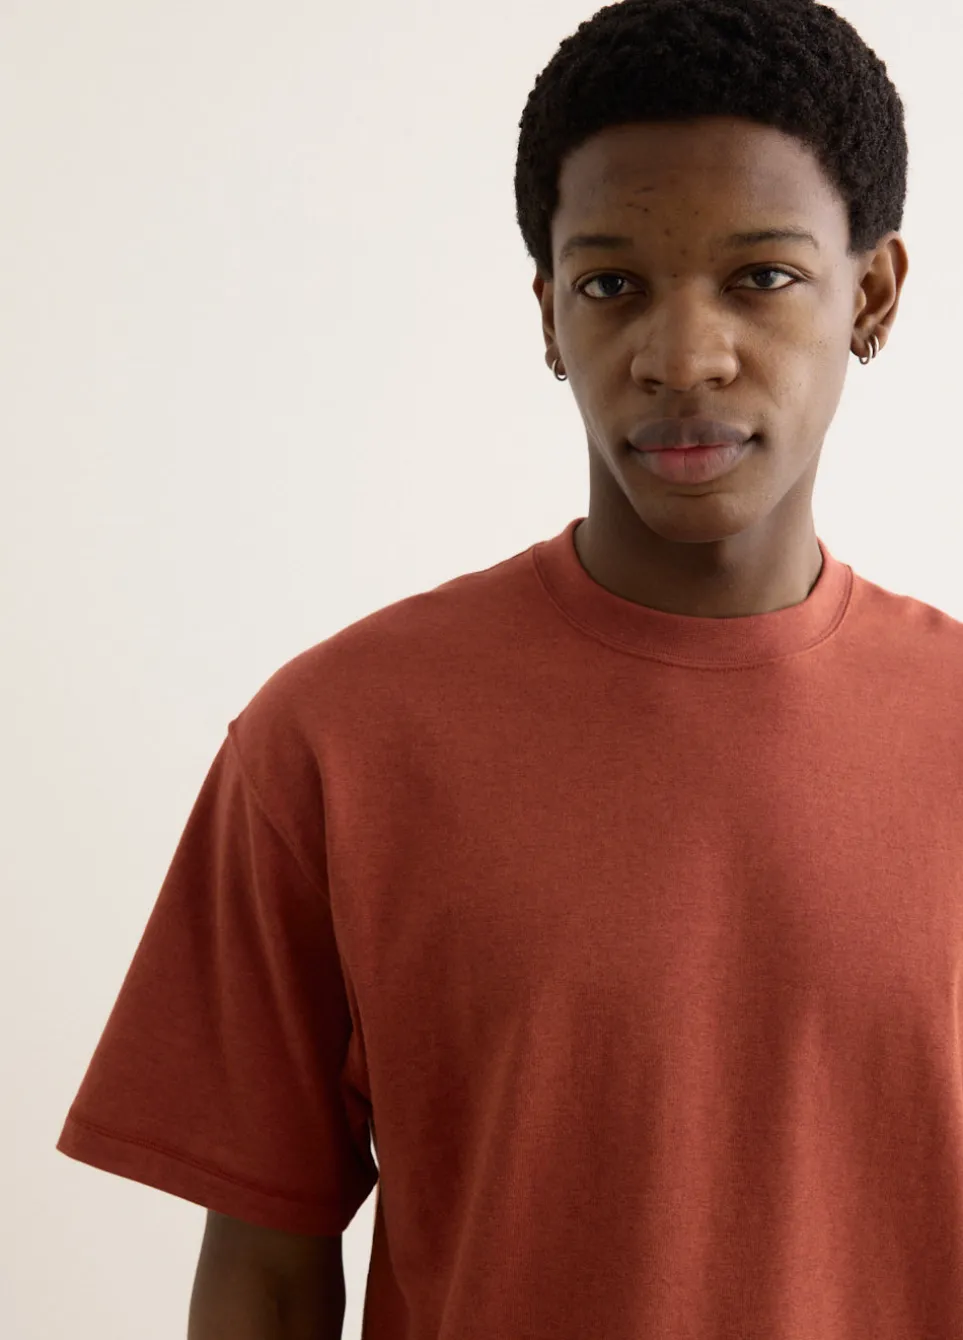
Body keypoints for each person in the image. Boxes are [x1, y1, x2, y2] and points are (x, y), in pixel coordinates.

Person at [59, 1, 963, 1336]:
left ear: (871, 295)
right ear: (548, 316)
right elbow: (262, 1273)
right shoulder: (335, 741)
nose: (681, 357)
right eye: (610, 285)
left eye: (760, 278)